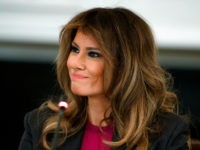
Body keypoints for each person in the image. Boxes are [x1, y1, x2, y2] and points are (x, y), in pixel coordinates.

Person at [18, 7, 190, 150]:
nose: (75, 63)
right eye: (75, 49)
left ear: (125, 66)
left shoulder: (168, 133)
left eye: (93, 54)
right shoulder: (40, 125)